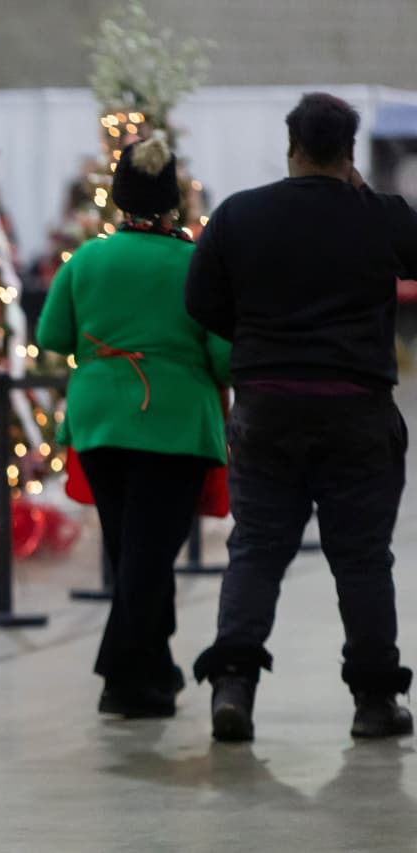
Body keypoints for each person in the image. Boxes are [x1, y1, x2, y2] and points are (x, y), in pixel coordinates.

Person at [187, 92, 417, 742]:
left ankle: (233, 685)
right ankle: (375, 702)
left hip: (266, 405)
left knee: (257, 547)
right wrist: (366, 198)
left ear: (292, 147)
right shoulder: (381, 215)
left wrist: (261, 343)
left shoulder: (239, 214)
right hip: (358, 408)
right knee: (364, 558)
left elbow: (200, 302)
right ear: (349, 152)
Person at [36, 135, 231, 719]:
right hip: (174, 423)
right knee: (149, 557)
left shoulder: (87, 260)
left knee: (132, 554)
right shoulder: (197, 261)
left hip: (99, 420)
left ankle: (153, 675)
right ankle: (120, 677)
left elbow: (51, 337)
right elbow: (223, 356)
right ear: (176, 203)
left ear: (119, 200)